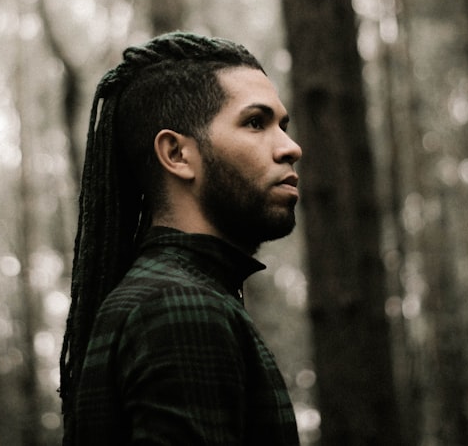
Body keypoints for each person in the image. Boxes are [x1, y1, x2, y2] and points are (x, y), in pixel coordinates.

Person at [59, 31, 302, 445]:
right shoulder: (177, 305)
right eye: (256, 123)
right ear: (176, 154)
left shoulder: (165, 297)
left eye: (283, 125)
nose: (290, 147)